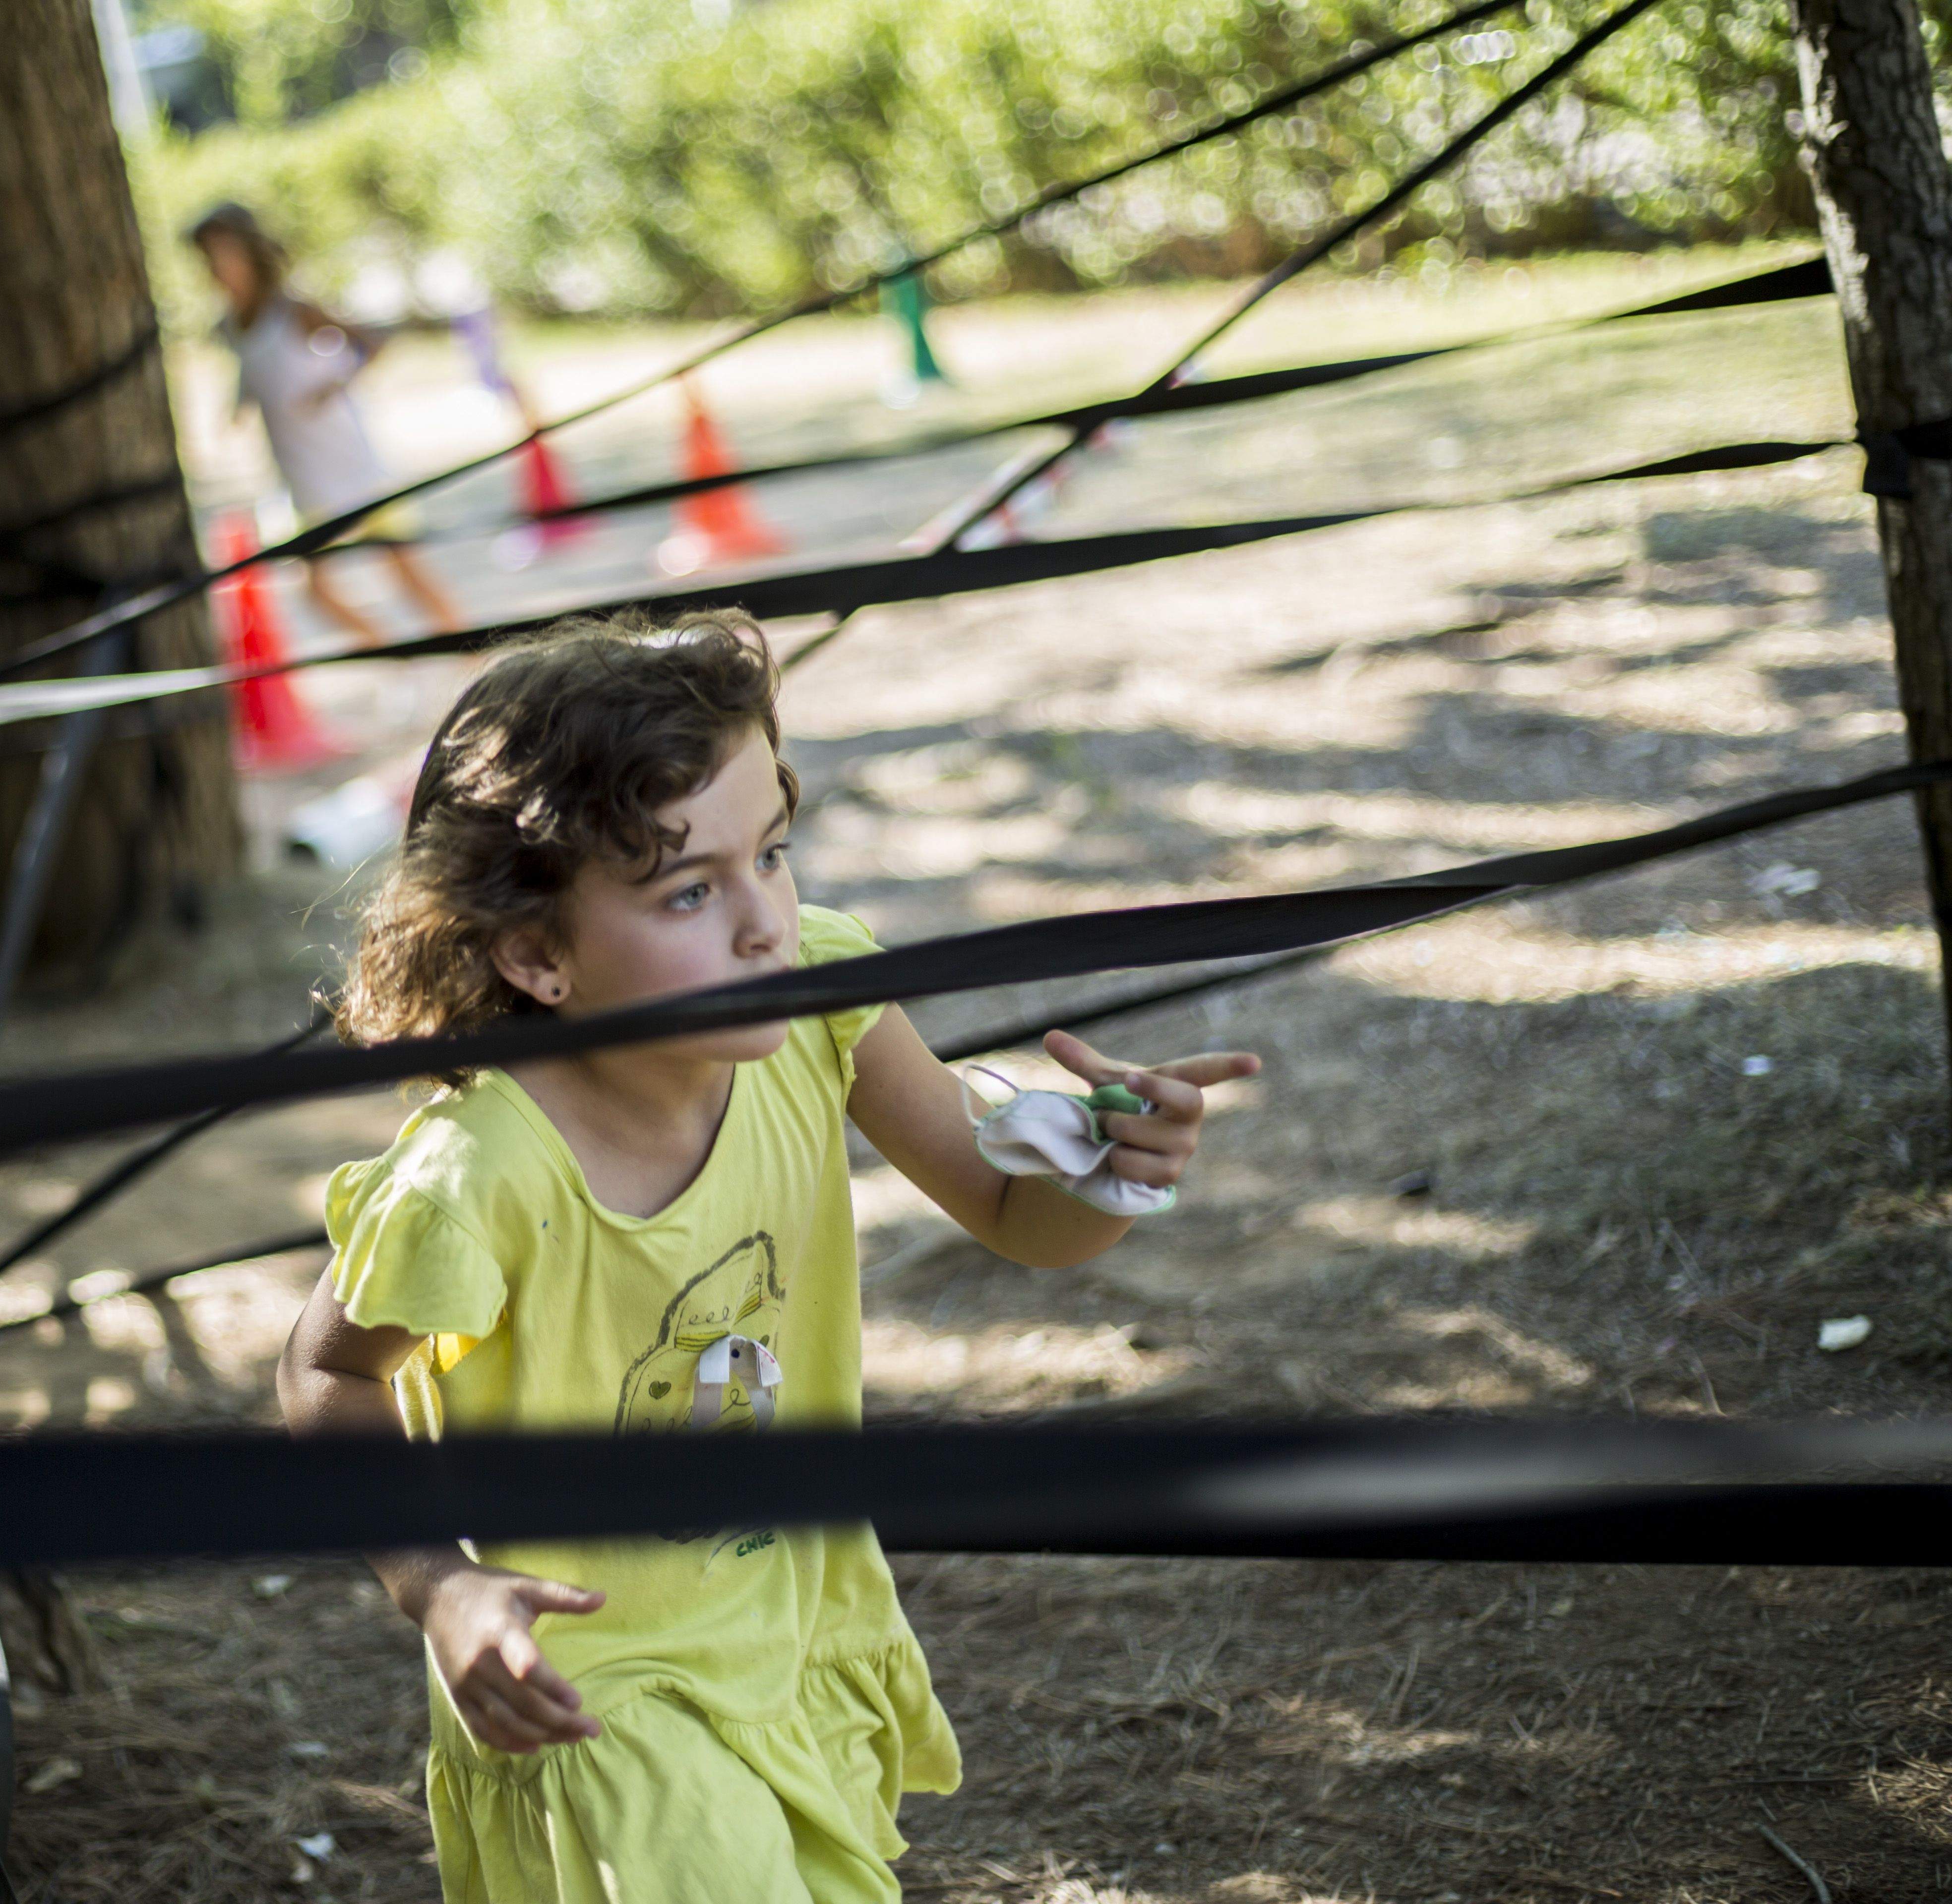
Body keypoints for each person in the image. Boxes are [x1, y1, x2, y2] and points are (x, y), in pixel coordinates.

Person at [278, 614, 1261, 1903]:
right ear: (536, 955)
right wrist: (440, 1589)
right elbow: (328, 1378)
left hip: (792, 1620)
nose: (764, 926)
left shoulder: (822, 1009)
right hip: (600, 1690)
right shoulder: (483, 1176)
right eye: (690, 891)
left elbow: (1027, 1225)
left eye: (773, 856)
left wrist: (1116, 1171)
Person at [187, 202, 458, 648]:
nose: (218, 267)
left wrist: (331, 388)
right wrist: (234, 410)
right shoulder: (232, 326)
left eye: (225, 252)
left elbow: (371, 345)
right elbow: (255, 371)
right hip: (307, 484)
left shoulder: (294, 310)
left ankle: (470, 654)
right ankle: (401, 655)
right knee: (318, 592)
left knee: (405, 573)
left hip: (355, 471)